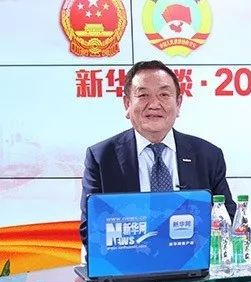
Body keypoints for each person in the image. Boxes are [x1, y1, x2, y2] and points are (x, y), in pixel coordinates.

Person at [79, 60, 236, 246]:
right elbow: (90, 230)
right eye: (143, 95)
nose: (154, 104)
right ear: (127, 104)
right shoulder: (102, 158)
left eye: (164, 94)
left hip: (192, 261)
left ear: (178, 103)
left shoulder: (208, 156)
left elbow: (227, 220)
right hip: (129, 262)